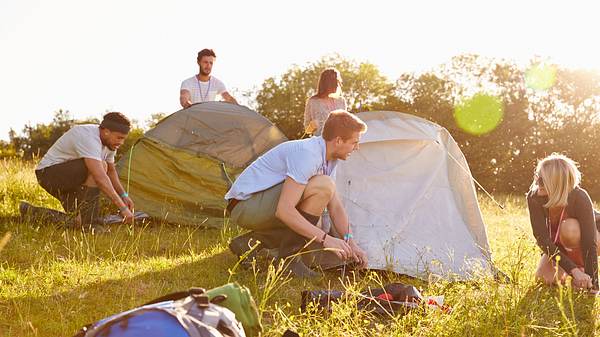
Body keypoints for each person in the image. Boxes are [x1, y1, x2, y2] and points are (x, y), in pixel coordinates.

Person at [225, 110, 368, 278]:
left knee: (318, 224)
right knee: (322, 190)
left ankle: (251, 243)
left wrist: (351, 242)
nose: (356, 147)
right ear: (338, 141)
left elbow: (335, 207)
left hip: (257, 205)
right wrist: (326, 239)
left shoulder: (330, 159)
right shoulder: (308, 154)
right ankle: (288, 261)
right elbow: (284, 210)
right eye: (354, 142)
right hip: (245, 205)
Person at [21, 112, 135, 229]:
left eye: (123, 139)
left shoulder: (110, 143)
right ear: (106, 131)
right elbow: (100, 177)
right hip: (49, 175)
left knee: (77, 221)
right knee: (101, 166)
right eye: (119, 138)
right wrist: (123, 208)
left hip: (73, 180)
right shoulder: (88, 137)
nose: (121, 142)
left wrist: (124, 195)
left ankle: (30, 212)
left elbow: (111, 172)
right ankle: (91, 224)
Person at [527, 153, 599, 292]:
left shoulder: (579, 196)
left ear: (556, 183)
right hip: (562, 244)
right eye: (537, 178)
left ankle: (585, 273)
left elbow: (590, 242)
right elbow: (542, 239)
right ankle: (578, 273)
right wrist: (574, 271)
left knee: (570, 228)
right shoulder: (534, 197)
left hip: (592, 238)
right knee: (543, 278)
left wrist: (593, 284)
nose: (537, 184)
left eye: (542, 181)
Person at [304, 68, 347, 136]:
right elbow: (307, 130)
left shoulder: (341, 101)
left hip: (339, 142)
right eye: (334, 82)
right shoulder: (312, 102)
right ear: (326, 83)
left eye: (338, 82)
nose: (337, 85)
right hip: (320, 143)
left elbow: (346, 124)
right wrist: (312, 126)